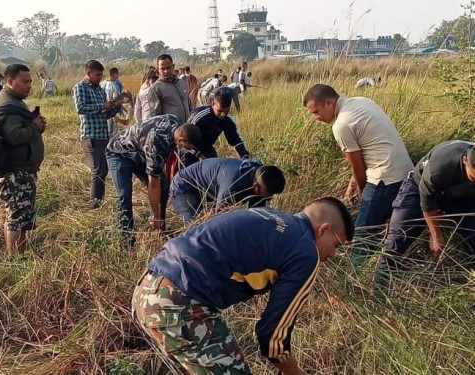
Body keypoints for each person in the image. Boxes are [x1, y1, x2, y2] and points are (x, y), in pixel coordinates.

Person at [132, 197, 354, 375]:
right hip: (179, 302)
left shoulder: (273, 215)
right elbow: (273, 334)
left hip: (150, 286)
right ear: (323, 229)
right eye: (335, 244)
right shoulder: (305, 251)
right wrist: (293, 370)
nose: (332, 254)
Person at [303, 84, 413, 265]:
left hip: (384, 178)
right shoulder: (362, 102)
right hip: (406, 172)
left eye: (316, 112)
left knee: (362, 236)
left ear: (329, 103)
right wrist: (351, 187)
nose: (316, 118)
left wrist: (363, 195)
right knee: (386, 227)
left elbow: (358, 168)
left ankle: (355, 278)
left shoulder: (341, 125)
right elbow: (366, 154)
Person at [374, 140, 475, 289]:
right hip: (419, 189)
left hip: (460, 197)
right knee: (397, 239)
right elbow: (427, 202)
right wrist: (436, 235)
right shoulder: (441, 164)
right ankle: (377, 290)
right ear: (465, 159)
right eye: (473, 177)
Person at [105, 115, 202, 246]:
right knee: (125, 194)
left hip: (139, 151)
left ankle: (161, 228)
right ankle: (126, 240)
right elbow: (153, 184)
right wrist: (155, 213)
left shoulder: (175, 121)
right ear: (180, 140)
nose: (187, 150)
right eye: (187, 147)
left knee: (165, 185)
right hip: (118, 152)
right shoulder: (157, 144)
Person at [0, 64, 46, 254]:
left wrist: (34, 125)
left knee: (20, 217)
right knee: (16, 217)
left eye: (30, 81)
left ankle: (19, 257)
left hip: (21, 171)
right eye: (25, 81)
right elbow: (13, 136)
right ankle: (15, 260)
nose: (29, 85)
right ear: (10, 81)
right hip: (15, 173)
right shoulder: (8, 105)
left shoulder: (14, 102)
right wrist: (34, 128)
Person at [72, 60, 128, 209]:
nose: (99, 78)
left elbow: (106, 114)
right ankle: (95, 203)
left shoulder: (100, 90)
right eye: (97, 75)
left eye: (101, 75)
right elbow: (81, 108)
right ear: (88, 73)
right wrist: (103, 105)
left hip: (103, 135)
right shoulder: (80, 87)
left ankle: (99, 201)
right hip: (90, 136)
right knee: (98, 169)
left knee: (103, 169)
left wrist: (116, 105)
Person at [171, 157, 286, 224]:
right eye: (267, 193)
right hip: (185, 185)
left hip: (210, 187)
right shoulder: (233, 186)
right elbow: (217, 222)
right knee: (194, 228)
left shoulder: (260, 179)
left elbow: (256, 215)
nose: (269, 197)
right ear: (256, 185)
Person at [182, 89, 249, 166]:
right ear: (213, 104)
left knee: (215, 169)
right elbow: (185, 139)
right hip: (189, 150)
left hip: (207, 148)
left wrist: (245, 155)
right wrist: (199, 155)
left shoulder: (227, 119)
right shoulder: (199, 116)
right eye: (220, 111)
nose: (223, 115)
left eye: (226, 111)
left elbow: (235, 140)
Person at [148, 54, 191, 123]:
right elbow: (155, 117)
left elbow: (189, 105)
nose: (166, 71)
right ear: (158, 69)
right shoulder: (156, 89)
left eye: (168, 68)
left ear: (173, 66)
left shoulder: (181, 83)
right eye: (163, 69)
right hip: (171, 131)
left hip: (187, 128)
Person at [100, 67, 121, 136]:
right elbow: (116, 99)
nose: (118, 76)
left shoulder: (101, 84)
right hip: (111, 112)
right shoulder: (114, 86)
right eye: (117, 74)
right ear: (114, 74)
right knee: (112, 132)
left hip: (102, 111)